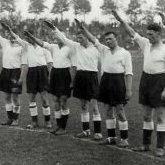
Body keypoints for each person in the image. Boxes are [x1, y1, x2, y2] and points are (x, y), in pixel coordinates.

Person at [113, 11, 165, 156]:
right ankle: (146, 144)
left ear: (159, 34)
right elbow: (132, 32)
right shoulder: (145, 44)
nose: (148, 37)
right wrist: (121, 21)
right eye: (147, 34)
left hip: (160, 81)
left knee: (161, 117)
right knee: (147, 116)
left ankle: (160, 147)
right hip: (146, 80)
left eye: (151, 35)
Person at [75, 19, 132, 148]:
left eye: (111, 39)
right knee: (108, 110)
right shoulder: (104, 50)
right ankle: (111, 137)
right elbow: (93, 39)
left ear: (116, 39)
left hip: (118, 81)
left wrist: (128, 90)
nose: (108, 41)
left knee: (120, 110)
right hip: (106, 80)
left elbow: (129, 73)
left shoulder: (125, 53)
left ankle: (124, 138)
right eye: (106, 40)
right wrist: (83, 29)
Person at [43, 21, 103, 140]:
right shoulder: (76, 46)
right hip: (81, 76)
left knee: (94, 105)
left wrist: (83, 27)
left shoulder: (96, 48)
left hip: (92, 77)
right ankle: (86, 130)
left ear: (87, 37)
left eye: (81, 37)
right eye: (78, 38)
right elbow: (63, 38)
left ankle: (98, 132)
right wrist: (54, 28)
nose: (79, 40)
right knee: (83, 105)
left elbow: (103, 63)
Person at [3, 25, 53, 129]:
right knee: (32, 98)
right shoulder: (26, 46)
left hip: (42, 71)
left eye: (29, 37)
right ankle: (34, 122)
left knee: (44, 98)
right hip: (31, 72)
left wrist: (48, 75)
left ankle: (48, 122)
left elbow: (50, 63)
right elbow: (17, 38)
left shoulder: (44, 46)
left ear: (34, 36)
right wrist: (9, 30)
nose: (27, 40)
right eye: (26, 38)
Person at [23, 28, 72, 135]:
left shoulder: (70, 47)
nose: (56, 38)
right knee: (56, 100)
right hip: (51, 74)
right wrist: (31, 36)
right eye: (56, 36)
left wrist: (49, 76)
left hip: (58, 74)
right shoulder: (53, 47)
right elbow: (41, 43)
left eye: (59, 36)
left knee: (61, 101)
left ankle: (58, 125)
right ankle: (58, 126)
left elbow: (50, 63)